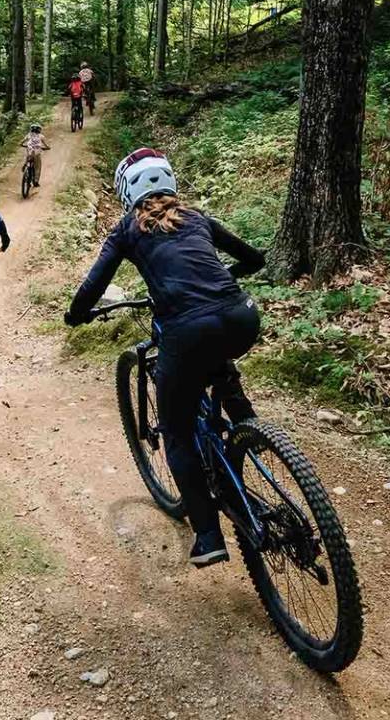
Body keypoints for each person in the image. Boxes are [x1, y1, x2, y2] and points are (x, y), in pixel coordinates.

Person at [64, 148, 265, 568]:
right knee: (217, 358)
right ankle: (250, 433)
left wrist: (76, 314)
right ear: (169, 181)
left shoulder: (127, 229)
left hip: (187, 330)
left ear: (127, 190)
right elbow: (253, 258)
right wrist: (225, 278)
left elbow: (95, 283)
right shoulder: (196, 217)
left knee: (175, 432)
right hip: (243, 317)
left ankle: (208, 534)